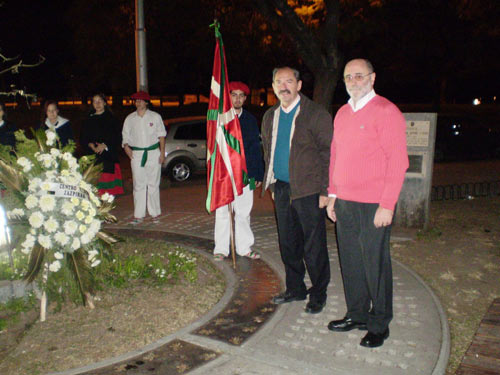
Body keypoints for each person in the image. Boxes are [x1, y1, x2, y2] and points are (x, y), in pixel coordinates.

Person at [326, 58, 409, 348]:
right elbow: (335, 155)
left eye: (359, 76)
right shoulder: (342, 113)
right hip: (345, 201)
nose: (353, 81)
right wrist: (332, 194)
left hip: (374, 203)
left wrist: (387, 204)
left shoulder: (387, 111)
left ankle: (379, 323)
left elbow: (398, 161)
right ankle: (357, 314)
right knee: (350, 261)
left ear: (372, 79)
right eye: (349, 76)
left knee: (375, 264)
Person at [261, 67, 332, 314]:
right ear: (273, 86)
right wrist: (271, 183)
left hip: (309, 190)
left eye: (289, 81)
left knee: (313, 245)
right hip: (281, 187)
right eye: (279, 81)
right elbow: (268, 151)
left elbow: (328, 153)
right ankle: (295, 288)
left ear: (299, 85)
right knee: (288, 243)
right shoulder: (270, 116)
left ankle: (318, 292)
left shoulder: (315, 114)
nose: (284, 86)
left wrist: (326, 190)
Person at [213, 81, 264, 261]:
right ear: (228, 97)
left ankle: (244, 247)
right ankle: (221, 248)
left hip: (245, 173)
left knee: (243, 212)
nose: (237, 98)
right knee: (222, 212)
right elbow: (214, 147)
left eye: (241, 95)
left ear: (245, 98)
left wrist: (258, 173)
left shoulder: (250, 119)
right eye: (234, 95)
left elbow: (255, 147)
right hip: (225, 174)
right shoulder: (220, 118)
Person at [122, 91, 166, 224]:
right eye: (136, 101)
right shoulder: (130, 118)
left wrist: (162, 153)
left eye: (141, 100)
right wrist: (128, 150)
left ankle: (155, 213)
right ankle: (138, 215)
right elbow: (125, 137)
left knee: (153, 184)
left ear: (146, 102)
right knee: (138, 185)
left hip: (153, 152)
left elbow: (161, 135)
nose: (138, 103)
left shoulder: (155, 117)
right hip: (138, 153)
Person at [80, 93, 124, 196]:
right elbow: (83, 138)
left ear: (104, 103)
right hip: (93, 158)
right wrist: (90, 145)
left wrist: (105, 145)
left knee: (108, 193)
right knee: (94, 191)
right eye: (95, 101)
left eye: (100, 101)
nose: (98, 103)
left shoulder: (112, 119)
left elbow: (117, 136)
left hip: (108, 158)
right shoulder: (88, 119)